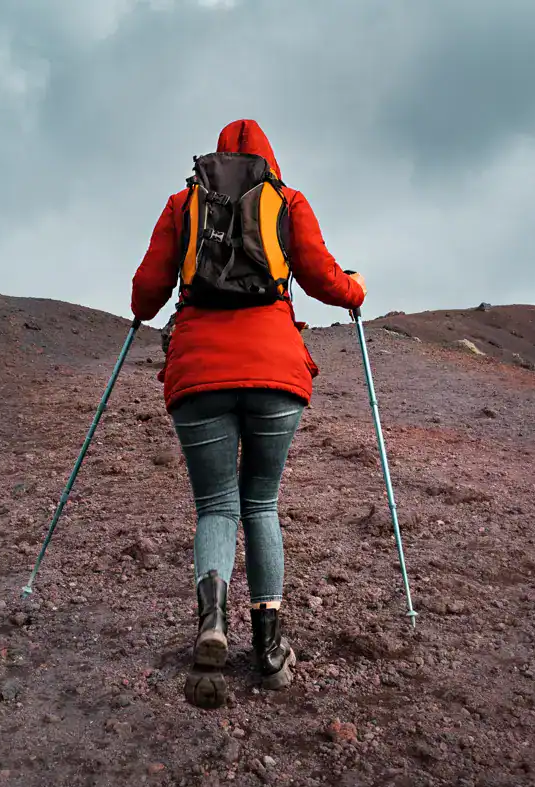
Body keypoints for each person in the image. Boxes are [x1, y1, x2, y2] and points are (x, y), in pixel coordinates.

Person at [130, 119, 366, 708]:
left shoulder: (183, 203)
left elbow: (146, 292)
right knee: (260, 503)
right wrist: (356, 291)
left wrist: (148, 305)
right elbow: (322, 278)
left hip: (199, 373)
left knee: (215, 505)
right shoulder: (287, 201)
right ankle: (269, 644)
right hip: (275, 372)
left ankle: (212, 623)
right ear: (269, 160)